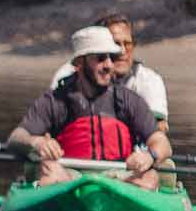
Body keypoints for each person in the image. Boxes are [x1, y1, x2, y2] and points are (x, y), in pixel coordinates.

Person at [11, 24, 173, 188]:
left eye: (112, 57)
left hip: (120, 176)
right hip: (69, 176)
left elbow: (161, 142)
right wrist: (36, 142)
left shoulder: (129, 100)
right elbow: (16, 137)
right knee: (49, 171)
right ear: (79, 63)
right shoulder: (54, 100)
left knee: (149, 177)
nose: (109, 65)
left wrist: (150, 155)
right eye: (100, 58)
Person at [49, 11, 170, 130]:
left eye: (128, 44)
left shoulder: (148, 80)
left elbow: (159, 127)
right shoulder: (66, 75)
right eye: (116, 44)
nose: (122, 51)